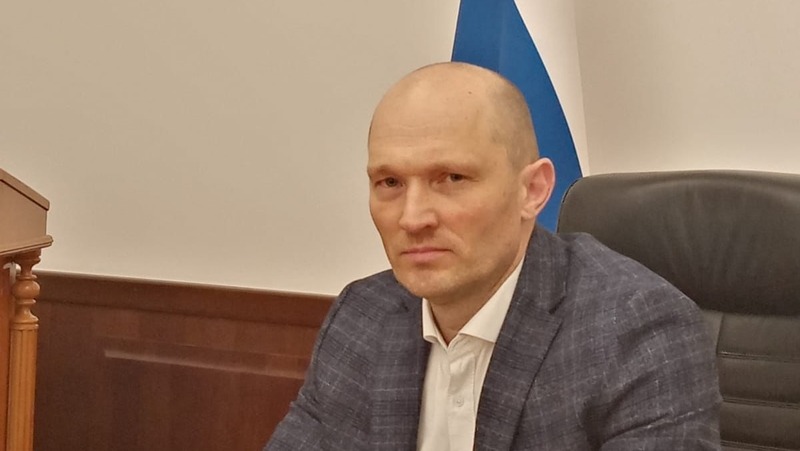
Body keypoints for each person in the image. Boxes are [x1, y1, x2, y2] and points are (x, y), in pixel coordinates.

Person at [266, 62, 721, 450]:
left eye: (452, 178)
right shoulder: (363, 315)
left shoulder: (636, 331)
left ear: (533, 190)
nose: (413, 217)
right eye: (390, 183)